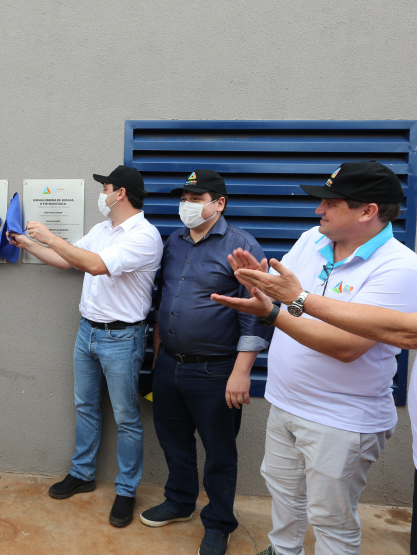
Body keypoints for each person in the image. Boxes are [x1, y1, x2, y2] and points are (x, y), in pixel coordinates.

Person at [218, 146, 417, 555]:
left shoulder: (398, 268)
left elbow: (349, 346)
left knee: (331, 519)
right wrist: (266, 287)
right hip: (295, 407)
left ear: (368, 211)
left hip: (344, 420)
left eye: (331, 203)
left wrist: (279, 307)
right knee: (284, 495)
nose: (319, 209)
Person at [8, 165, 162, 528]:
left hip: (122, 338)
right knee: (85, 406)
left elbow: (94, 266)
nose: (102, 194)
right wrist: (29, 243)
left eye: (105, 188)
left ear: (120, 193)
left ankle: (126, 490)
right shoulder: (103, 229)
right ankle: (83, 473)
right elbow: (69, 260)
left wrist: (48, 234)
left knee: (126, 418)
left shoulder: (144, 235)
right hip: (87, 332)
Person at [140, 170, 271, 555]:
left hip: (215, 370)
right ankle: (180, 501)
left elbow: (257, 313)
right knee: (173, 440)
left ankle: (217, 522)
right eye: (184, 197)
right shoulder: (174, 241)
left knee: (218, 451)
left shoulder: (240, 246)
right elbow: (165, 301)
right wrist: (159, 357)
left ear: (220, 203)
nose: (188, 204)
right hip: (169, 365)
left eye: (197, 198)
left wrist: (241, 372)